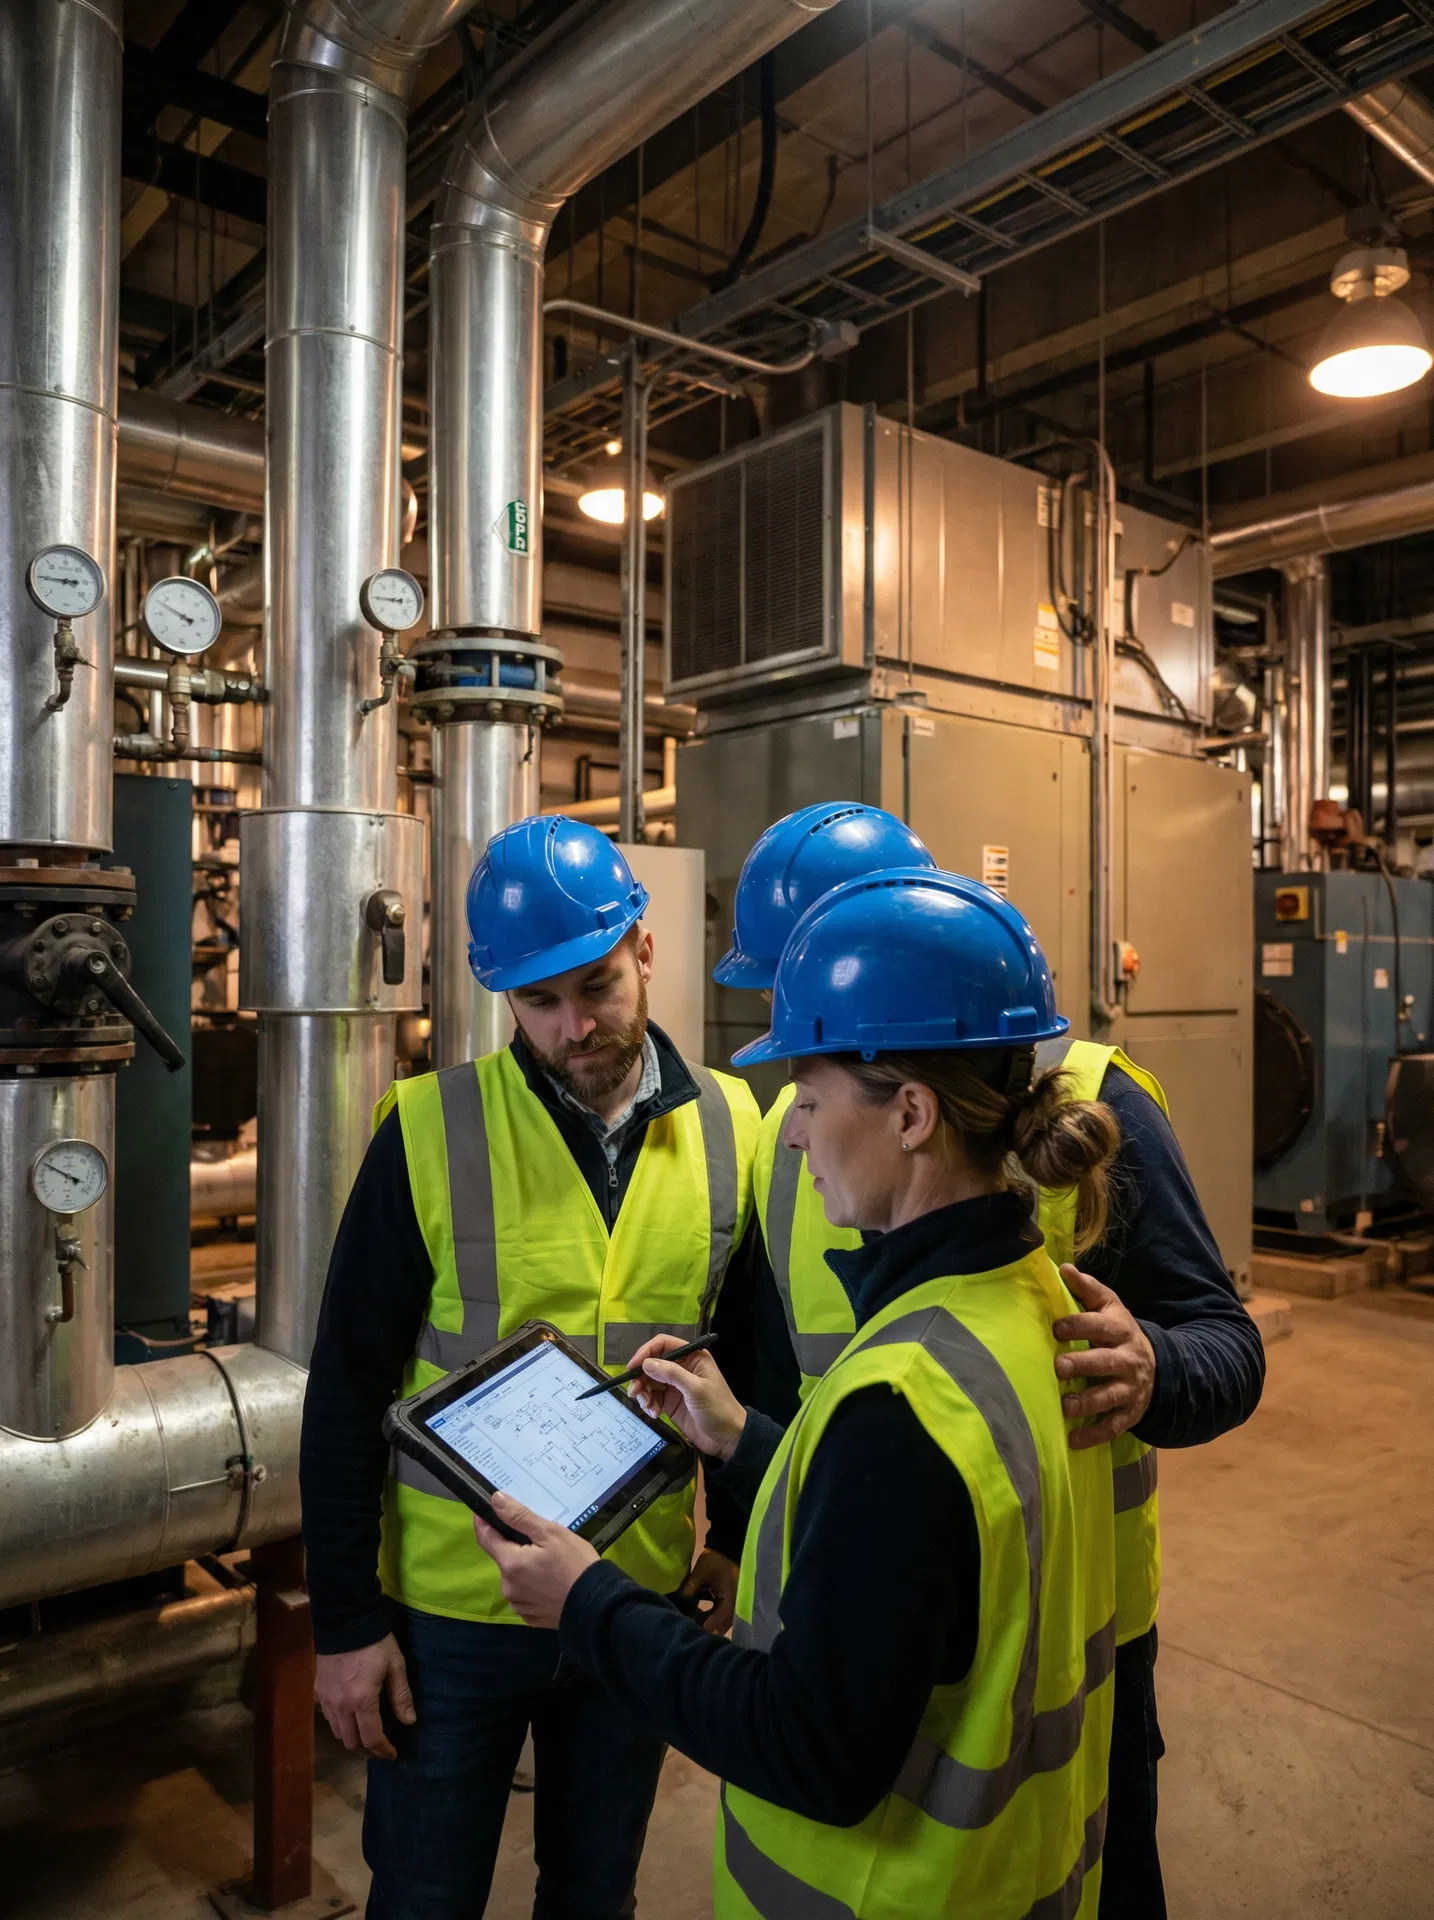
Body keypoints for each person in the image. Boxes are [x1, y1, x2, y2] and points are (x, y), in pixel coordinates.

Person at [472, 868, 1123, 1918]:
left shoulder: (903, 1401)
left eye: (812, 1099)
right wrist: (746, 1437)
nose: (792, 1131)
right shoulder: (1033, 1300)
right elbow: (918, 1559)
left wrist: (588, 1601)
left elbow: (805, 1744)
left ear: (910, 1112)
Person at [711, 802, 1267, 1918]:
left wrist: (1158, 1366)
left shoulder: (1093, 1104)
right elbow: (778, 1376)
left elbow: (1227, 1345)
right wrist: (738, 1534)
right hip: (869, 1594)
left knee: (1092, 1863)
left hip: (1071, 1613)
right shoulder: (802, 1132)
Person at [299, 816, 760, 1920]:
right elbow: (347, 1389)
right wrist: (349, 1627)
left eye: (596, 985)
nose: (573, 1026)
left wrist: (735, 1539)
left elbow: (749, 1362)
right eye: (538, 1002)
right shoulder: (427, 1129)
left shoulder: (736, 1126)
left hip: (633, 1593)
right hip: (452, 1609)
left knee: (596, 1890)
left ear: (645, 947)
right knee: (421, 1894)